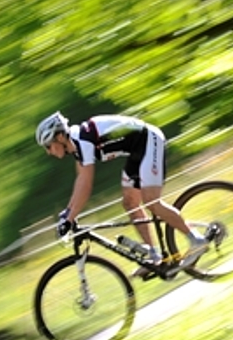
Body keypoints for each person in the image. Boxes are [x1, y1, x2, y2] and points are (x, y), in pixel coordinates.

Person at [35, 111, 208, 277]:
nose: (48, 151)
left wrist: (70, 218)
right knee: (130, 202)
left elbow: (86, 185)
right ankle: (155, 257)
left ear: (59, 137)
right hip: (136, 151)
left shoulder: (82, 140)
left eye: (48, 146)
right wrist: (68, 213)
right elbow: (80, 180)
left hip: (149, 141)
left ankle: (197, 240)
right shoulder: (76, 145)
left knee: (151, 202)